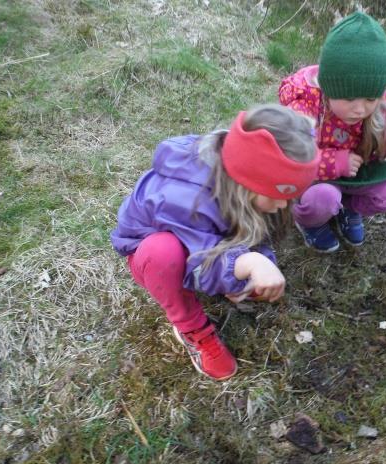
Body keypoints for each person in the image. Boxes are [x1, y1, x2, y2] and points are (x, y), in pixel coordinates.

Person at [111, 105, 319, 381]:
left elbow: (254, 228)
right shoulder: (186, 199)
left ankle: (233, 273)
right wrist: (250, 263)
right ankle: (191, 328)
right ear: (248, 181)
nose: (283, 203)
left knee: (257, 236)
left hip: (205, 237)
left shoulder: (246, 177)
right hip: (155, 254)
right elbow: (201, 263)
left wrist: (248, 268)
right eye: (278, 195)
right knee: (162, 253)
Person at [279, 11, 386, 252]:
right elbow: (290, 157)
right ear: (329, 87)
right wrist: (334, 162)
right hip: (315, 179)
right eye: (350, 98)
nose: (360, 109)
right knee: (323, 198)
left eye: (370, 99)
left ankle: (351, 207)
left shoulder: (379, 100)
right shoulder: (304, 101)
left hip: (357, 175)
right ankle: (310, 223)